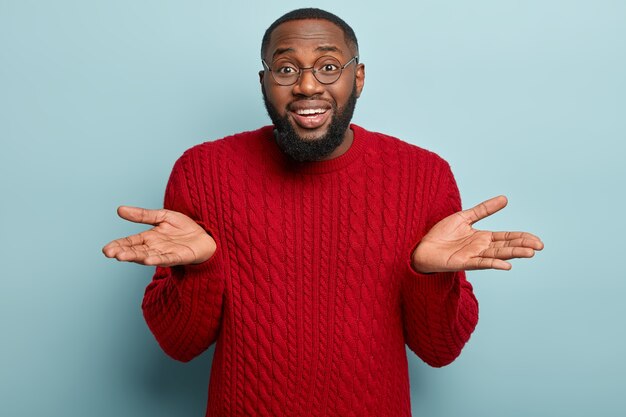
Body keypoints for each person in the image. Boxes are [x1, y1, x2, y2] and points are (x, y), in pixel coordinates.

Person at [103, 8, 543, 417]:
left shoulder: (424, 175)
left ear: (360, 77)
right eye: (287, 68)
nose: (308, 86)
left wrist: (428, 275)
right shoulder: (202, 171)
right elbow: (179, 345)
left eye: (329, 67)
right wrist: (200, 268)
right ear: (264, 81)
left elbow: (440, 350)